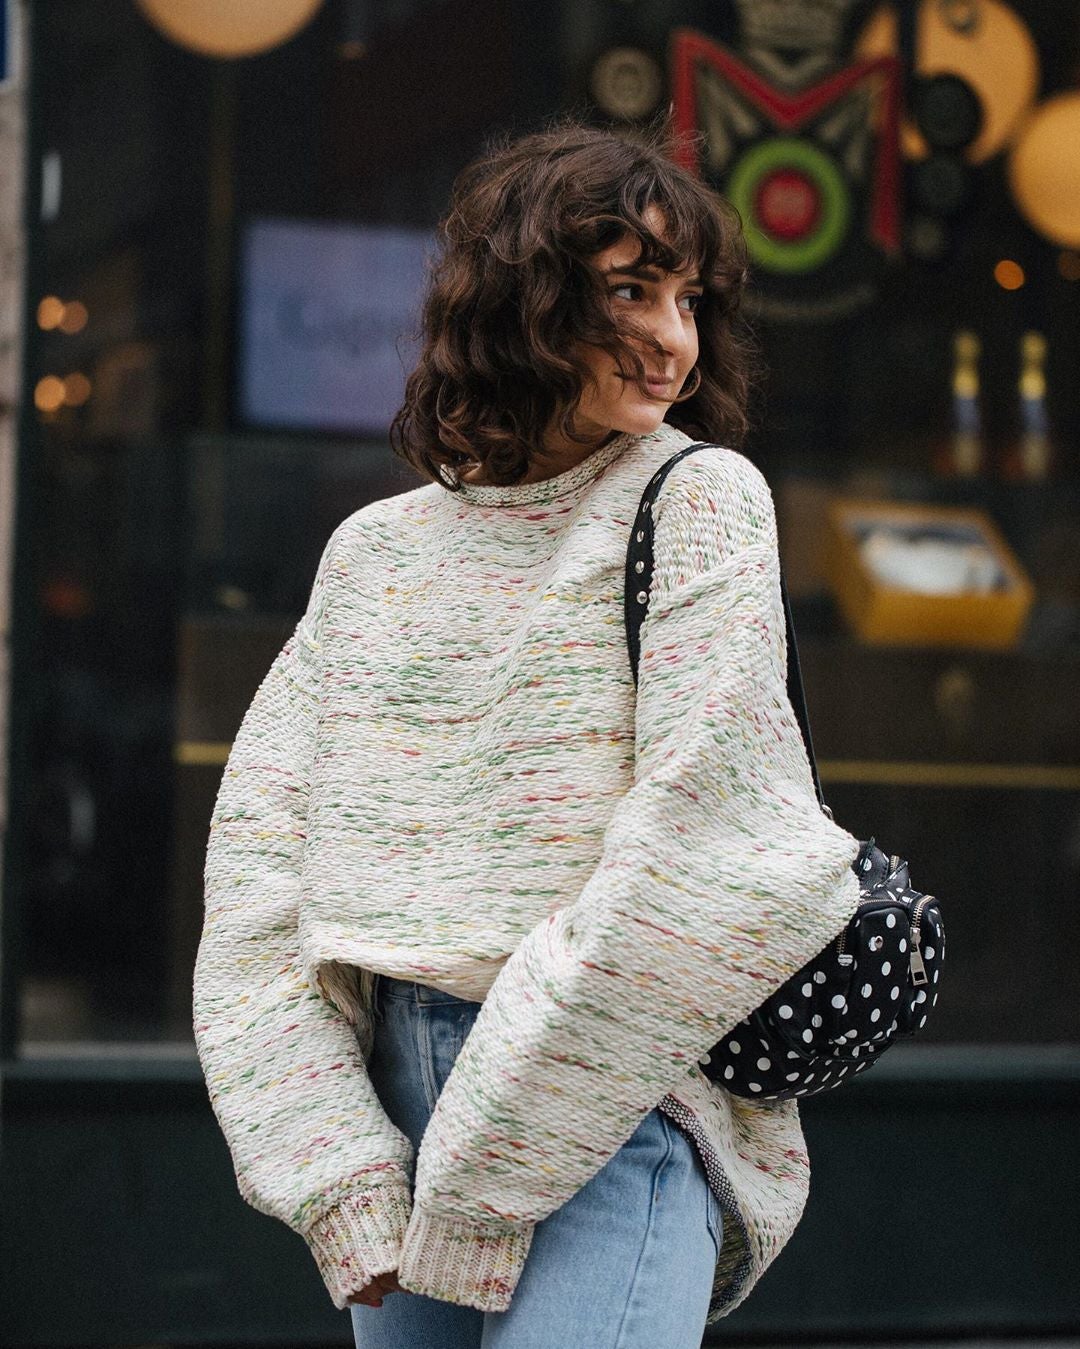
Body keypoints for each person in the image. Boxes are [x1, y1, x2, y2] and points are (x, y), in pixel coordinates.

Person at [193, 114, 863, 1349]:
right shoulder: (376, 553)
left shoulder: (697, 499)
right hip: (392, 1117)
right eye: (631, 291)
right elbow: (257, 885)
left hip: (612, 1106)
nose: (674, 337)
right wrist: (334, 1166)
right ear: (523, 302)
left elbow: (709, 862)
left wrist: (491, 1165)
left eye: (690, 298)